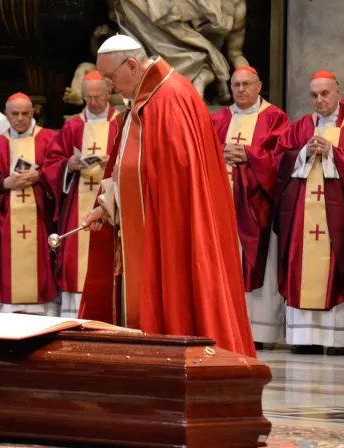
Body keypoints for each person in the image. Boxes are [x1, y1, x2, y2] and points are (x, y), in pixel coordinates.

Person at [80, 35, 256, 357]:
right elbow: (131, 167)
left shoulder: (170, 98)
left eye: (110, 78)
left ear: (131, 65)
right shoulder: (143, 102)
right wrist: (107, 206)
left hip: (170, 234)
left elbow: (176, 185)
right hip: (143, 231)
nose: (108, 87)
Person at [274, 70, 344, 356]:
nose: (319, 100)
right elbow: (279, 161)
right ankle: (304, 336)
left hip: (341, 218)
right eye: (313, 95)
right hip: (303, 215)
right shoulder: (300, 127)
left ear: (337, 92)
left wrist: (334, 153)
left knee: (337, 265)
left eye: (324, 94)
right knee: (300, 264)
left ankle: (337, 338)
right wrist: (303, 154)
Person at [212, 66, 290, 348]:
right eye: (235, 85)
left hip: (258, 207)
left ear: (259, 87)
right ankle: (225, 328)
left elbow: (282, 158)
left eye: (246, 85)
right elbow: (203, 155)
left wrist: (249, 155)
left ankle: (261, 331)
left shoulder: (274, 118)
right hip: (223, 206)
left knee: (260, 264)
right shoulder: (219, 119)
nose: (241, 90)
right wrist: (219, 156)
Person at [42, 71, 120, 318]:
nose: (93, 102)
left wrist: (114, 162)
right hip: (78, 204)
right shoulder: (73, 126)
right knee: (77, 261)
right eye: (88, 98)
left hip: (112, 207)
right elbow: (51, 164)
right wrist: (69, 165)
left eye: (98, 96)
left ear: (109, 92)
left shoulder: (121, 123)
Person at [0, 92, 58, 315]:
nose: (20, 118)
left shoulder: (49, 139)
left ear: (33, 113)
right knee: (6, 266)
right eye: (15, 114)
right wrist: (3, 182)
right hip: (7, 223)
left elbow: (59, 169)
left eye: (25, 113)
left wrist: (39, 176)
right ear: (6, 115)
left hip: (40, 221)